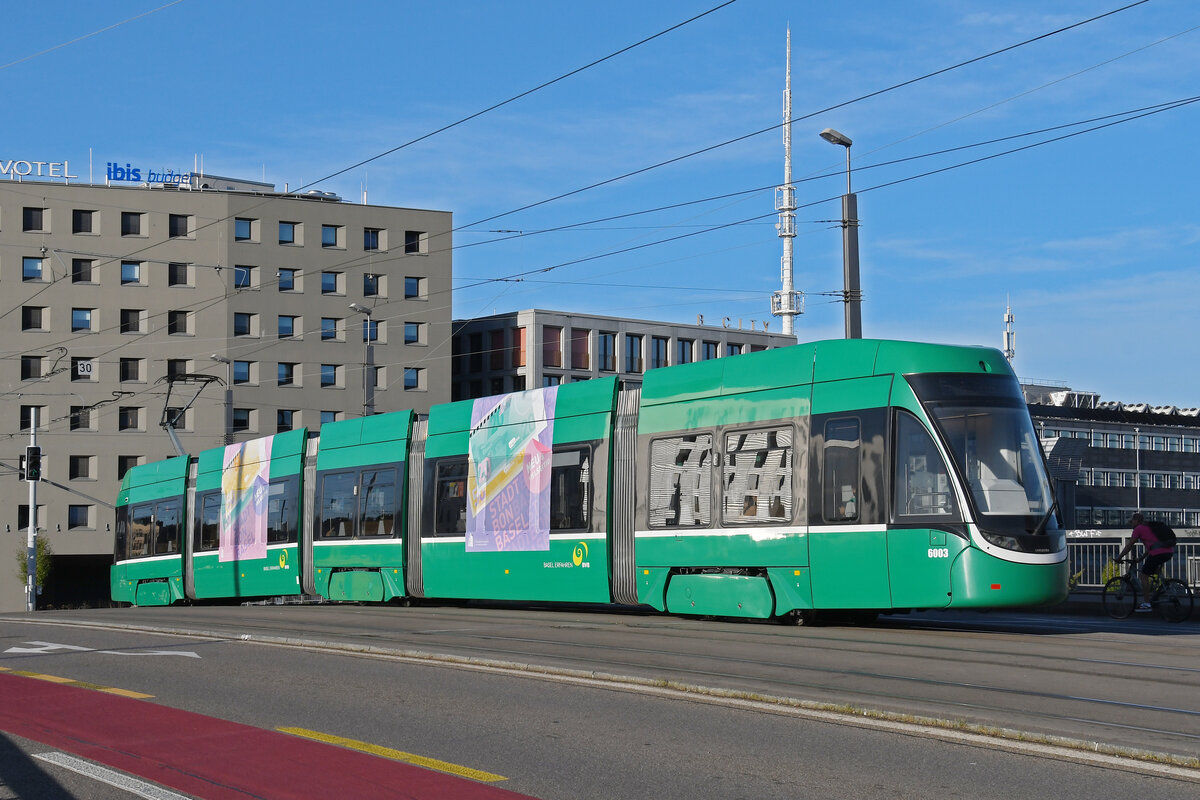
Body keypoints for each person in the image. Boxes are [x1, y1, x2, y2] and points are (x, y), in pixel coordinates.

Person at [1115, 512, 1176, 610]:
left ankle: (1147, 603)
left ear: (1136, 520)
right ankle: (1163, 588)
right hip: (1168, 551)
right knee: (1153, 570)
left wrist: (1119, 557)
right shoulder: (1150, 527)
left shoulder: (1138, 529)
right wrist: (1142, 558)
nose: (1131, 524)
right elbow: (1153, 545)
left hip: (1157, 553)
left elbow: (1130, 545)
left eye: (1132, 522)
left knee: (1143, 575)